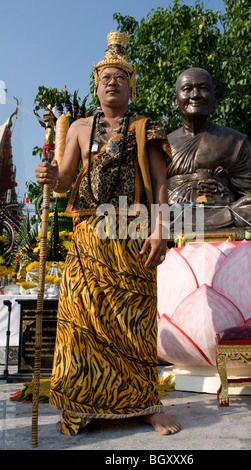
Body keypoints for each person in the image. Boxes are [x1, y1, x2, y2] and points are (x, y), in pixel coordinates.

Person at [35, 31, 181, 436]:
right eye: (105, 78)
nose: (111, 82)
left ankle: (146, 404)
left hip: (132, 231)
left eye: (119, 77)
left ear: (131, 85)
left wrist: (161, 232)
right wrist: (48, 176)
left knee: (130, 323)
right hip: (87, 235)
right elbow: (64, 182)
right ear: (95, 85)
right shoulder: (81, 128)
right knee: (82, 319)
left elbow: (161, 184)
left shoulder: (145, 127)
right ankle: (84, 401)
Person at [167, 67, 251, 229]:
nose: (195, 95)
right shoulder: (161, 144)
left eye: (204, 89)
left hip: (225, 210)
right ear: (174, 100)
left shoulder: (235, 141)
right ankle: (214, 220)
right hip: (176, 212)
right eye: (187, 89)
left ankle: (209, 221)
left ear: (215, 99)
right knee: (141, 214)